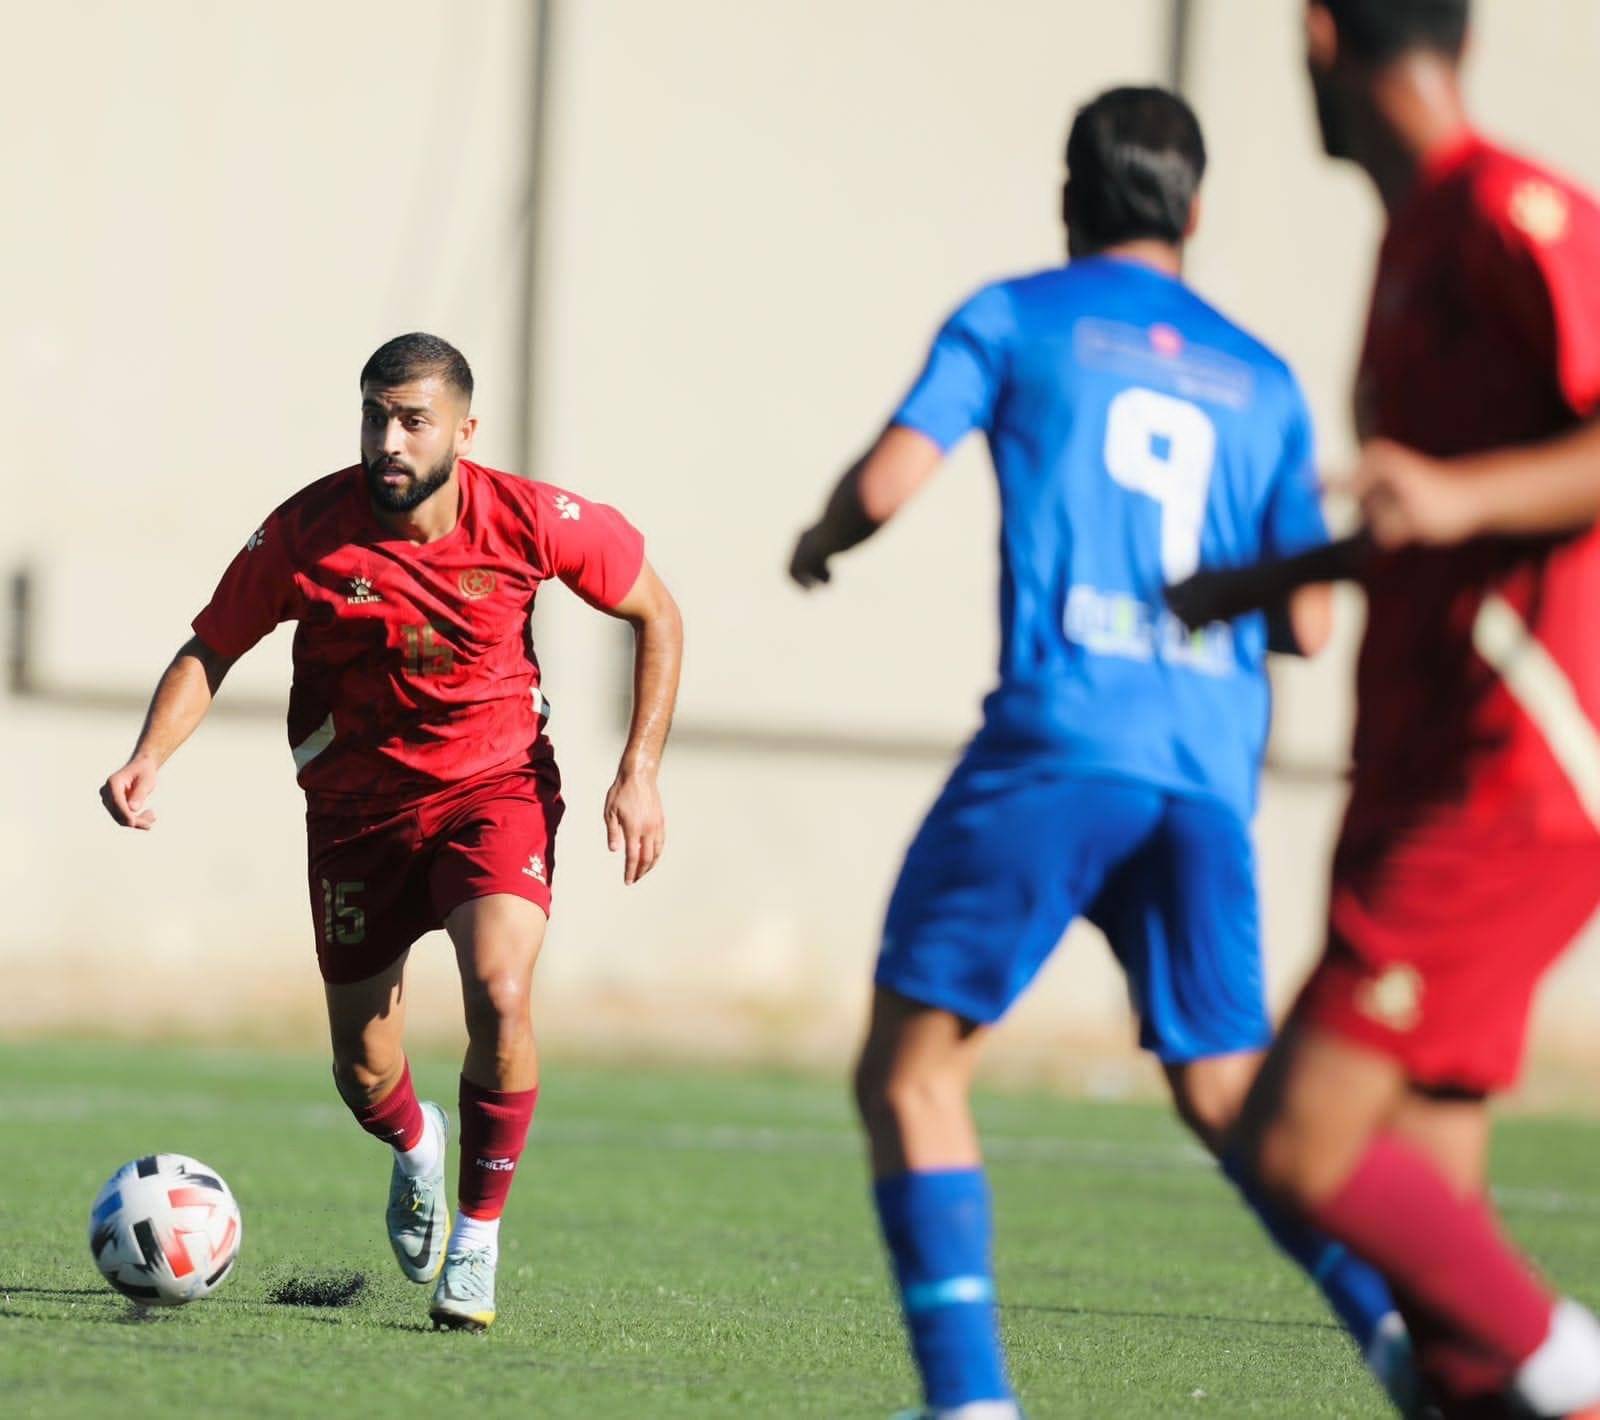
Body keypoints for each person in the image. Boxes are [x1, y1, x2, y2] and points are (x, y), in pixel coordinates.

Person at [790, 87, 1402, 1420]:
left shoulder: (1015, 315)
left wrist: (820, 543)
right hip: (1206, 770)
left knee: (912, 1068)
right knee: (1230, 1093)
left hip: (1064, 741)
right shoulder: (1263, 377)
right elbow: (1304, 617)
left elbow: (889, 484)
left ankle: (970, 1403)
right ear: (1194, 210)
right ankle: (1400, 1328)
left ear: (1072, 200)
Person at [1178, 3, 1600, 1414]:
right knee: (1432, 1252)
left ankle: (1573, 1365)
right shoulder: (1410, 246)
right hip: (1423, 762)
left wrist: (1465, 494)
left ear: (1320, 37)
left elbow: (1490, 485)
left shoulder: (1509, 209)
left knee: (1294, 1136)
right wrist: (1263, 583)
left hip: (1515, 760)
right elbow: (1422, 515)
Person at [100, 332, 682, 1332]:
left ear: (464, 428)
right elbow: (214, 643)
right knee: (363, 1074)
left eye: (412, 420)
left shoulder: (532, 519)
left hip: (492, 792)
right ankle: (417, 1144)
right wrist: (151, 753)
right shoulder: (306, 532)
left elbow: (656, 611)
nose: (388, 440)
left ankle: (479, 1238)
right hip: (355, 818)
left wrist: (638, 770)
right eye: (374, 416)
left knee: (499, 990)